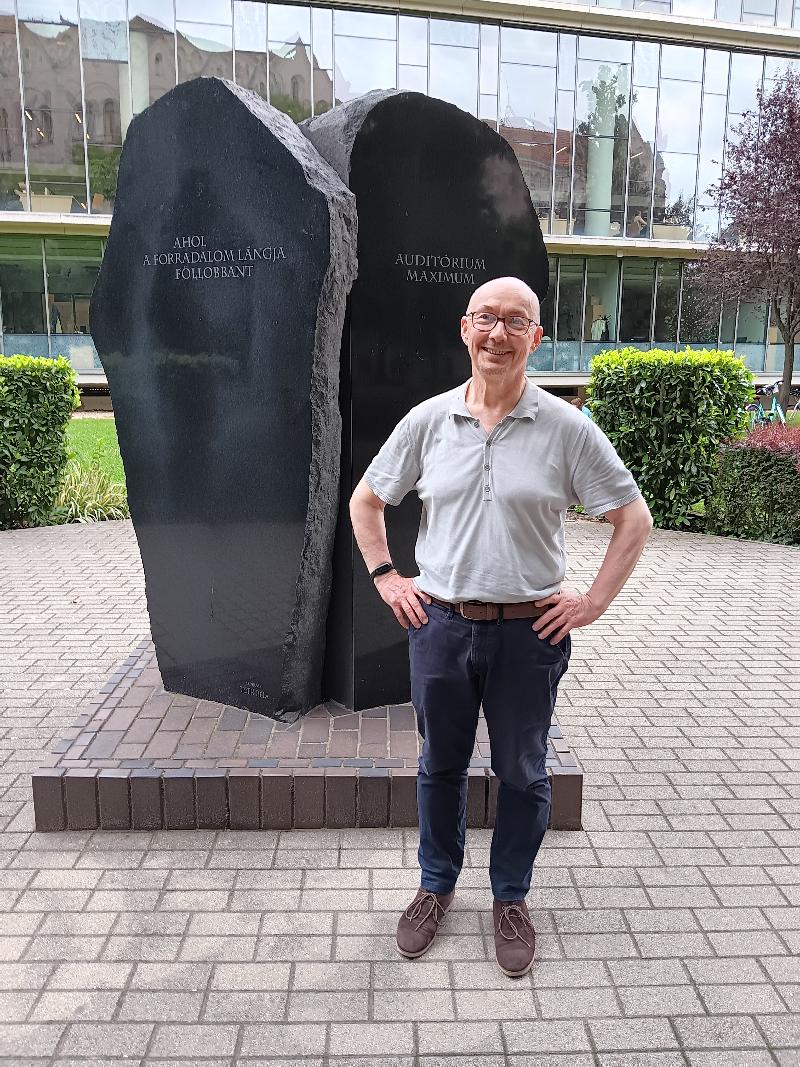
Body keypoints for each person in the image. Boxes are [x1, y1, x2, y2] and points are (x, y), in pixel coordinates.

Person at [349, 276, 652, 978]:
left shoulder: (567, 429)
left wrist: (594, 602)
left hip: (529, 635)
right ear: (465, 329)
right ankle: (436, 884)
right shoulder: (427, 421)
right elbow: (367, 502)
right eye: (487, 318)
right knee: (439, 766)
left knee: (522, 771)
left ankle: (510, 896)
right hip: (441, 628)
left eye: (516, 322)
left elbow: (631, 519)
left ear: (535, 338)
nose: (498, 333)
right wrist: (385, 578)